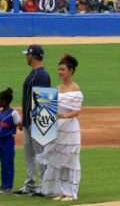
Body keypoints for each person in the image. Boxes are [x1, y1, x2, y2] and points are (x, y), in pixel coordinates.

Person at [36, 55, 83, 201]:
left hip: (70, 131)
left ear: (70, 71)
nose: (60, 72)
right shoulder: (56, 89)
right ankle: (62, 191)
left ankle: (71, 193)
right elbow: (46, 107)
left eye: (63, 69)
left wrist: (64, 116)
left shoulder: (75, 89)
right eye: (59, 69)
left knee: (70, 161)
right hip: (58, 130)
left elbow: (76, 111)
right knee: (58, 161)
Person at [14, 44, 51, 196]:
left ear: (32, 55)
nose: (26, 57)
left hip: (38, 121)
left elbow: (43, 100)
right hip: (29, 121)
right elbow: (28, 99)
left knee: (41, 154)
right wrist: (24, 119)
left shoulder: (41, 75)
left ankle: (45, 186)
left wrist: (35, 122)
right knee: (29, 154)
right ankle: (30, 185)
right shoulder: (34, 73)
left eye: (27, 54)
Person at [0, 88, 21, 194]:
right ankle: (3, 185)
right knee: (3, 164)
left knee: (8, 164)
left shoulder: (13, 113)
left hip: (8, 141)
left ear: (4, 101)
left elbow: (19, 125)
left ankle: (9, 186)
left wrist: (21, 125)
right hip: (1, 141)